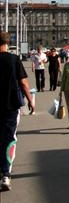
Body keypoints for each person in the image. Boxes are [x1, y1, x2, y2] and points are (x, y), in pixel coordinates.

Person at [0, 31, 35, 191]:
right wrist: (30, 101)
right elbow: (24, 83)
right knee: (9, 138)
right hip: (10, 105)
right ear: (8, 43)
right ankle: (6, 174)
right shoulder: (14, 60)